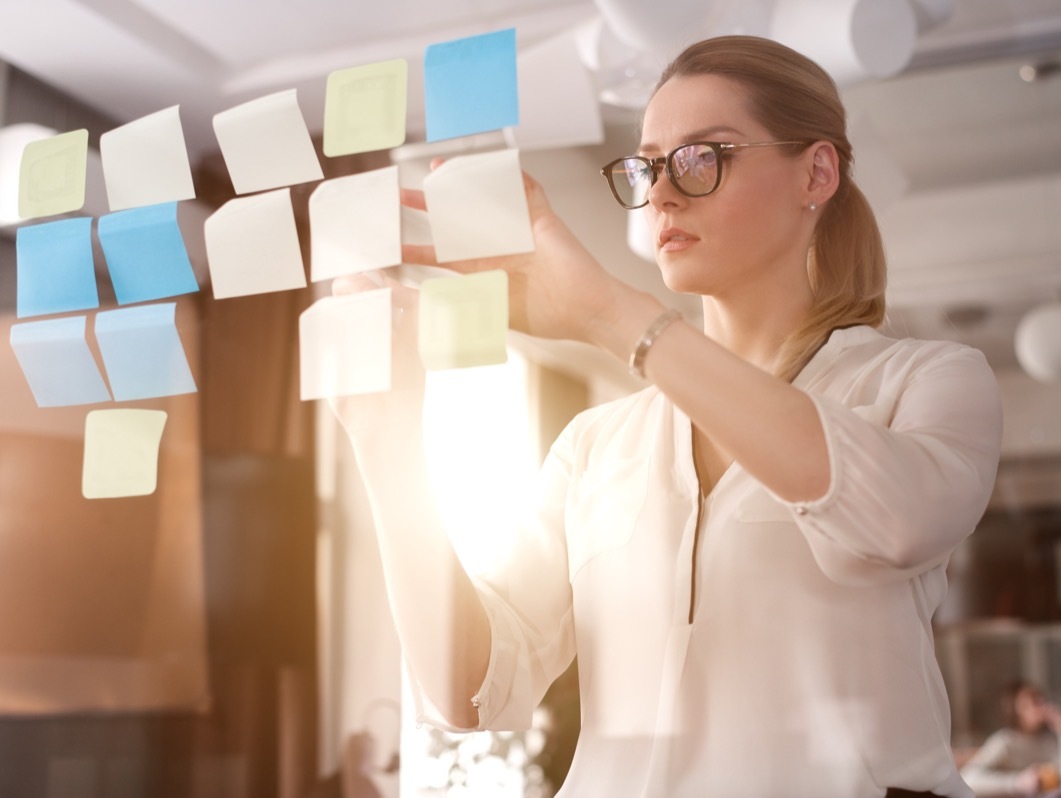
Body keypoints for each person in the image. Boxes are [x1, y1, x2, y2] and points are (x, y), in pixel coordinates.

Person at [331, 34, 1003, 797]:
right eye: (649, 165)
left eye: (702, 156)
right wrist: (385, 434)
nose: (661, 193)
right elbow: (471, 689)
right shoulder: (596, 445)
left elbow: (895, 520)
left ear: (816, 172)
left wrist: (611, 316)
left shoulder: (924, 381)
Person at [962, 681, 1061, 798]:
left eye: (1039, 699)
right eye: (1030, 703)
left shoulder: (1049, 739)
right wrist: (1016, 782)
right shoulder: (1005, 742)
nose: (1039, 705)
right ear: (1015, 711)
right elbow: (968, 778)